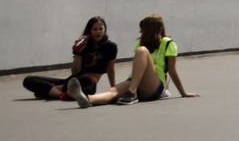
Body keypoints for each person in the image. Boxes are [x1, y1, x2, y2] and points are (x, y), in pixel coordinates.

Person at [69, 14, 199, 108]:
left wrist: (183, 93)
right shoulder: (139, 43)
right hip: (135, 82)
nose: (140, 32)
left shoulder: (168, 44)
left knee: (142, 51)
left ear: (149, 30)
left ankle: (132, 93)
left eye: (142, 29)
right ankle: (87, 99)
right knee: (113, 91)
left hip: (154, 86)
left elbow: (172, 70)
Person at [23, 16, 117, 100]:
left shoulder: (110, 47)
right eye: (95, 29)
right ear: (89, 31)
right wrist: (77, 53)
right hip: (72, 81)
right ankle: (62, 94)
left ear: (105, 29)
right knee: (29, 80)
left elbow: (110, 69)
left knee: (85, 79)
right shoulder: (84, 45)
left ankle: (52, 91)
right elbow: (75, 72)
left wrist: (114, 89)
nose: (98, 32)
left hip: (88, 83)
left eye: (101, 29)